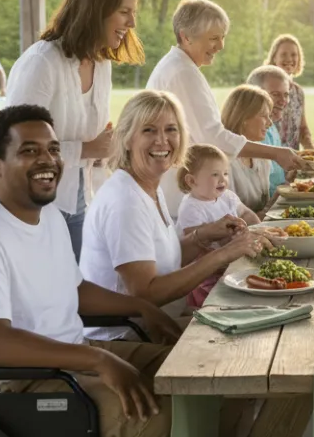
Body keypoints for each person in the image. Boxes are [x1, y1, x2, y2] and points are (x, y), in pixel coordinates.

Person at [0, 105, 182, 437]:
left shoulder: (47, 215)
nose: (48, 160)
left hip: (63, 357)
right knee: (154, 414)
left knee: (183, 374)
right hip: (3, 389)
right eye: (30, 150)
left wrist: (142, 308)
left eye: (53, 149)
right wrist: (99, 361)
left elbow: (74, 289)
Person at [79, 91, 270, 339]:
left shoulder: (146, 186)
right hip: (128, 338)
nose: (162, 140)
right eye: (149, 130)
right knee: (249, 338)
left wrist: (202, 235)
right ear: (127, 139)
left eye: (171, 129)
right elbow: (146, 293)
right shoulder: (125, 201)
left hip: (163, 322)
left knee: (259, 318)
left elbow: (163, 262)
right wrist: (224, 253)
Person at [6, 0, 144, 260]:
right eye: (124, 11)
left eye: (133, 12)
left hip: (78, 199)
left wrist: (107, 146)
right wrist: (87, 148)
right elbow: (13, 148)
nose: (132, 22)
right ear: (96, 9)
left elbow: (94, 143)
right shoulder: (42, 63)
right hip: (34, 209)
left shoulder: (102, 64)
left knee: (75, 295)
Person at [147, 0, 305, 218]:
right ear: (186, 36)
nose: (221, 46)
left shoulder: (180, 67)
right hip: (179, 193)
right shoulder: (182, 72)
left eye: (222, 38)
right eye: (213, 38)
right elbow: (213, 137)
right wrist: (275, 153)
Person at [176, 143, 265, 308]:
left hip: (232, 264)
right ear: (192, 180)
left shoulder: (227, 197)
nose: (223, 179)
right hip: (207, 276)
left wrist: (259, 231)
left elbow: (246, 214)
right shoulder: (191, 208)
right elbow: (196, 246)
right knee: (222, 302)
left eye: (225, 173)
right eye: (215, 174)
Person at [221, 85, 277, 213]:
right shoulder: (224, 163)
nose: (270, 123)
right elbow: (229, 219)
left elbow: (264, 208)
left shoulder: (261, 157)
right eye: (264, 116)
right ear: (244, 118)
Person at [247, 65, 294, 196]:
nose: (283, 101)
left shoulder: (271, 126)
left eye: (286, 95)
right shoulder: (252, 133)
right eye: (275, 94)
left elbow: (276, 175)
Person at [266, 34, 314, 149]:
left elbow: (302, 128)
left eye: (294, 55)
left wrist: (313, 150)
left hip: (292, 161)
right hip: (269, 159)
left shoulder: (298, 92)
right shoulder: (265, 88)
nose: (289, 59)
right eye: (283, 54)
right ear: (274, 58)